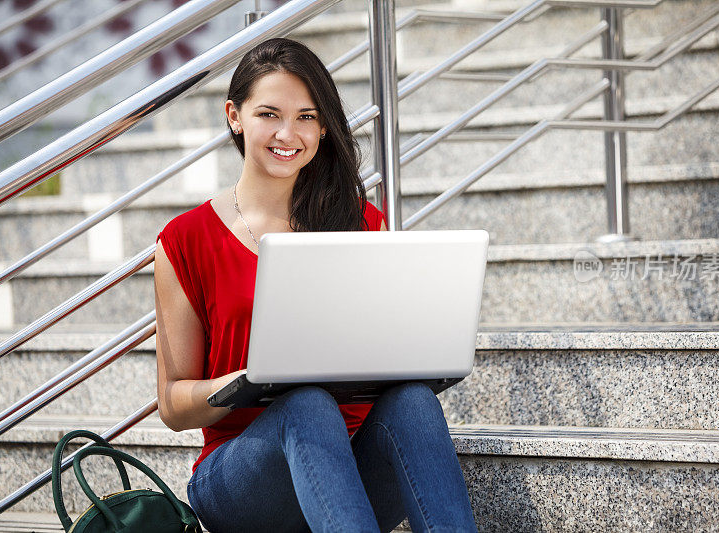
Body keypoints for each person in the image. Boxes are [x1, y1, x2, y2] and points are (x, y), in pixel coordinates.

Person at [154, 38, 477, 533]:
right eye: (269, 114)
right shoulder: (187, 240)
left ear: (324, 127)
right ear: (234, 116)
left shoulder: (362, 223)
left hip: (352, 467)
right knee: (304, 405)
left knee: (414, 400)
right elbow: (174, 405)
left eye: (306, 117)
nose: (289, 133)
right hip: (244, 476)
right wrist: (244, 381)